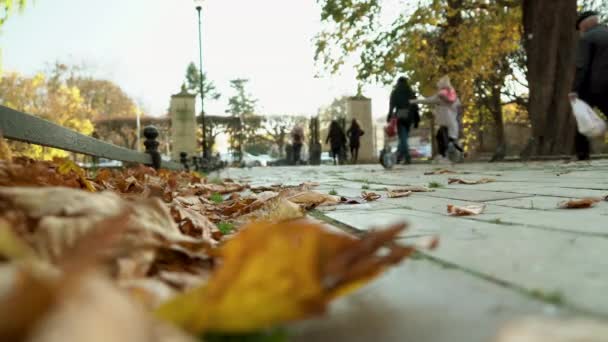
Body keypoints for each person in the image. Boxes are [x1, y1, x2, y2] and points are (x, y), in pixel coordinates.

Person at [571, 11, 608, 161]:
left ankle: (582, 154)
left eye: (580, 28)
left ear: (584, 24)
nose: (580, 32)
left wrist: (575, 89)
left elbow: (583, 66)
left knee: (582, 117)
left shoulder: (587, 38)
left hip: (594, 86)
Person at [410, 75, 463, 163]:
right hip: (451, 123)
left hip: (446, 123)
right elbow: (457, 106)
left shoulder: (440, 97)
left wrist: (413, 101)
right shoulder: (452, 97)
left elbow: (427, 100)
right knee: (446, 139)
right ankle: (446, 155)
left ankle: (445, 156)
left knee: (444, 138)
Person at [387, 77, 420, 164]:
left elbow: (391, 106)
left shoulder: (395, 92)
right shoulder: (411, 92)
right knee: (403, 136)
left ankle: (405, 156)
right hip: (410, 115)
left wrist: (389, 116)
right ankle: (400, 156)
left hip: (401, 114)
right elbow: (416, 107)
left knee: (403, 137)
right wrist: (417, 120)